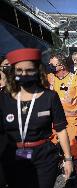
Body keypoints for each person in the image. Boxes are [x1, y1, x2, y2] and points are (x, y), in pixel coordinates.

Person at [1, 48, 73, 188]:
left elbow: (61, 129)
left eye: (29, 70)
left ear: (37, 71)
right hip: (12, 156)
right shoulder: (4, 99)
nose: (24, 74)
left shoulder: (50, 97)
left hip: (44, 157)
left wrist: (68, 159)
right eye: (19, 70)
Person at [48, 53, 77, 181]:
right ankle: (56, 167)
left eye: (52, 64)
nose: (49, 65)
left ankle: (72, 174)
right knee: (52, 146)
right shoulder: (49, 77)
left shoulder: (75, 79)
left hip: (70, 121)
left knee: (72, 149)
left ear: (61, 65)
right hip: (52, 121)